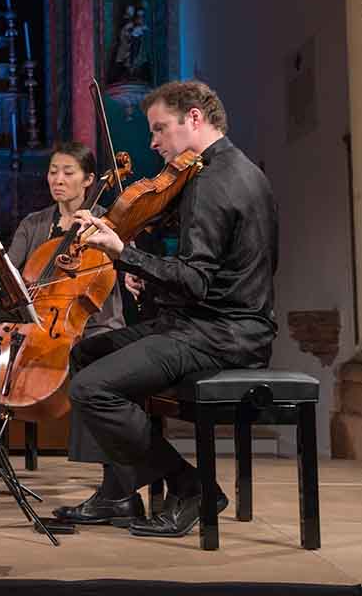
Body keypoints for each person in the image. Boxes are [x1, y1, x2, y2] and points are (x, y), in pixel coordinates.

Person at [54, 79, 279, 538]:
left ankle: (190, 486)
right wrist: (147, 272)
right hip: (207, 322)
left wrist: (125, 253)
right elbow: (215, 271)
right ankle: (118, 493)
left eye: (160, 130)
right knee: (87, 354)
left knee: (92, 389)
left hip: (222, 335)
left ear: (194, 118)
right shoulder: (229, 169)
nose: (153, 142)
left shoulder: (215, 183)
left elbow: (196, 281)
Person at [0, 140, 128, 485]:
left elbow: (124, 261)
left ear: (89, 179)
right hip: (35, 322)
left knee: (95, 360)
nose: (57, 179)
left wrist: (127, 269)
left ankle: (113, 479)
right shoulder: (35, 224)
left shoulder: (105, 224)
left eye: (68, 172)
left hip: (91, 327)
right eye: (53, 171)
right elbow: (10, 272)